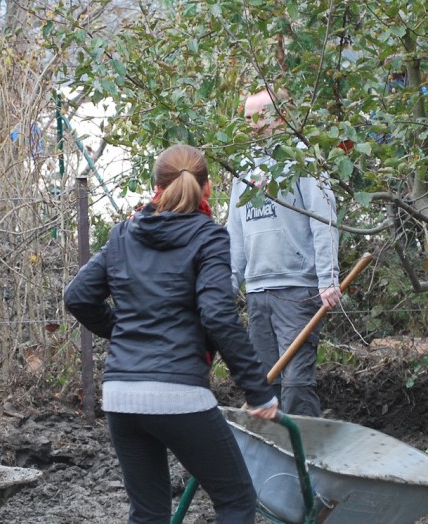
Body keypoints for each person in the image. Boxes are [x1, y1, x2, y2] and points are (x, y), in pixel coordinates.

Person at [64, 145, 279, 524]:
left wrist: (127, 333)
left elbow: (78, 297)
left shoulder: (122, 234)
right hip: (177, 392)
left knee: (148, 514)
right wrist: (258, 391)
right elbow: (217, 315)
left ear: (155, 188)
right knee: (236, 501)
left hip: (121, 396)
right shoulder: (209, 237)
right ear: (207, 188)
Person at [228, 89, 343, 418]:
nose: (251, 127)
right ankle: (273, 461)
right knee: (265, 387)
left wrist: (328, 278)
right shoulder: (244, 168)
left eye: (258, 119)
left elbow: (324, 219)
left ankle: (304, 458)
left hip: (297, 290)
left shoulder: (301, 159)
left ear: (278, 118)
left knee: (296, 383)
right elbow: (235, 232)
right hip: (258, 291)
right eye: (247, 120)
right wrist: (228, 287)